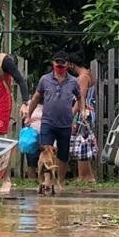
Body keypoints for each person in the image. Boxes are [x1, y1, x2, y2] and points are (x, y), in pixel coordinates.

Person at [23, 50, 81, 192]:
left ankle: (59, 181)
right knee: (45, 152)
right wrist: (28, 115)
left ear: (68, 64)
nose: (59, 65)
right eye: (57, 62)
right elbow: (36, 97)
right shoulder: (45, 79)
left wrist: (74, 114)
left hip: (65, 123)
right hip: (48, 121)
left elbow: (80, 99)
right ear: (53, 63)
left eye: (62, 63)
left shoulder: (73, 81)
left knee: (63, 154)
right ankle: (46, 181)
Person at [69, 52, 97, 183]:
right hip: (89, 110)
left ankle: (82, 176)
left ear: (72, 65)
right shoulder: (89, 74)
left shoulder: (83, 77)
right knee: (84, 142)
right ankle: (89, 176)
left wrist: (73, 113)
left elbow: (81, 97)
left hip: (83, 111)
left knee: (81, 144)